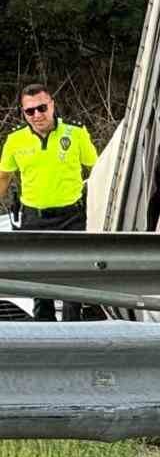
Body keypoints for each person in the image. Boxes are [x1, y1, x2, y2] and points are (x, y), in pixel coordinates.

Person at [0, 83, 98, 321]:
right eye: (29, 111)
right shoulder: (15, 140)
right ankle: (44, 334)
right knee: (38, 281)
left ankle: (73, 332)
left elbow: (98, 168)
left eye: (41, 108)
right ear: (23, 113)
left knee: (73, 280)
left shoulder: (75, 133)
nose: (37, 115)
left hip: (72, 217)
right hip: (34, 218)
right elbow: (3, 177)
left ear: (52, 105)